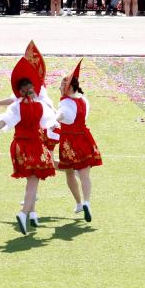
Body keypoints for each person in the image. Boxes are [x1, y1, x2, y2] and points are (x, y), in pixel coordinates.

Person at [0, 57, 57, 233]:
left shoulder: (16, 106)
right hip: (35, 145)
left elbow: (4, 121)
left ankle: (31, 213)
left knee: (31, 180)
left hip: (20, 146)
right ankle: (24, 213)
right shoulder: (40, 106)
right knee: (33, 181)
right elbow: (50, 122)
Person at [55, 60, 101, 222]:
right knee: (85, 174)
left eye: (62, 85)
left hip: (69, 142)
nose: (60, 88)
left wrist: (54, 119)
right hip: (84, 138)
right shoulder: (83, 100)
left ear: (68, 88)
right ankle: (86, 202)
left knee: (69, 172)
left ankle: (79, 203)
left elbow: (63, 115)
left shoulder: (65, 103)